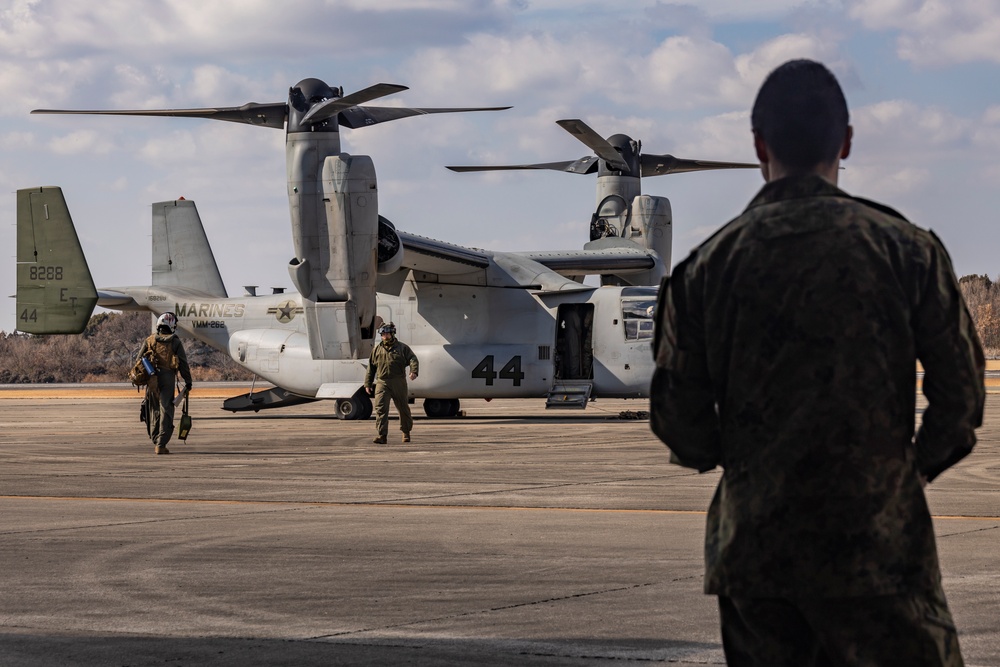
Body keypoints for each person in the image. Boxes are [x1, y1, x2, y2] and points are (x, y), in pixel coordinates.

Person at [650, 59, 985, 667]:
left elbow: (681, 424)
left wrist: (758, 467)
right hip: (879, 549)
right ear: (847, 142)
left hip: (757, 560)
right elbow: (962, 401)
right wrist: (899, 477)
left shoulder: (706, 269)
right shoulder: (906, 250)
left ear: (759, 146)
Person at [137, 312, 193, 455]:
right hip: (167, 378)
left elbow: (138, 360)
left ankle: (155, 438)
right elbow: (183, 364)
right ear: (172, 326)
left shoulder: (149, 340)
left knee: (153, 409)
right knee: (166, 409)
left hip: (152, 379)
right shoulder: (175, 342)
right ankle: (161, 443)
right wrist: (188, 381)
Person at [364, 322, 419, 444]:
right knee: (381, 408)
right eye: (383, 334)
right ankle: (382, 435)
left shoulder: (402, 348)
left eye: (387, 333)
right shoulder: (376, 350)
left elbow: (412, 359)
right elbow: (371, 368)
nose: (385, 336)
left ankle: (406, 433)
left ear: (392, 334)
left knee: (403, 408)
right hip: (382, 382)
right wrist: (367, 384)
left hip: (398, 382)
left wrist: (413, 371)